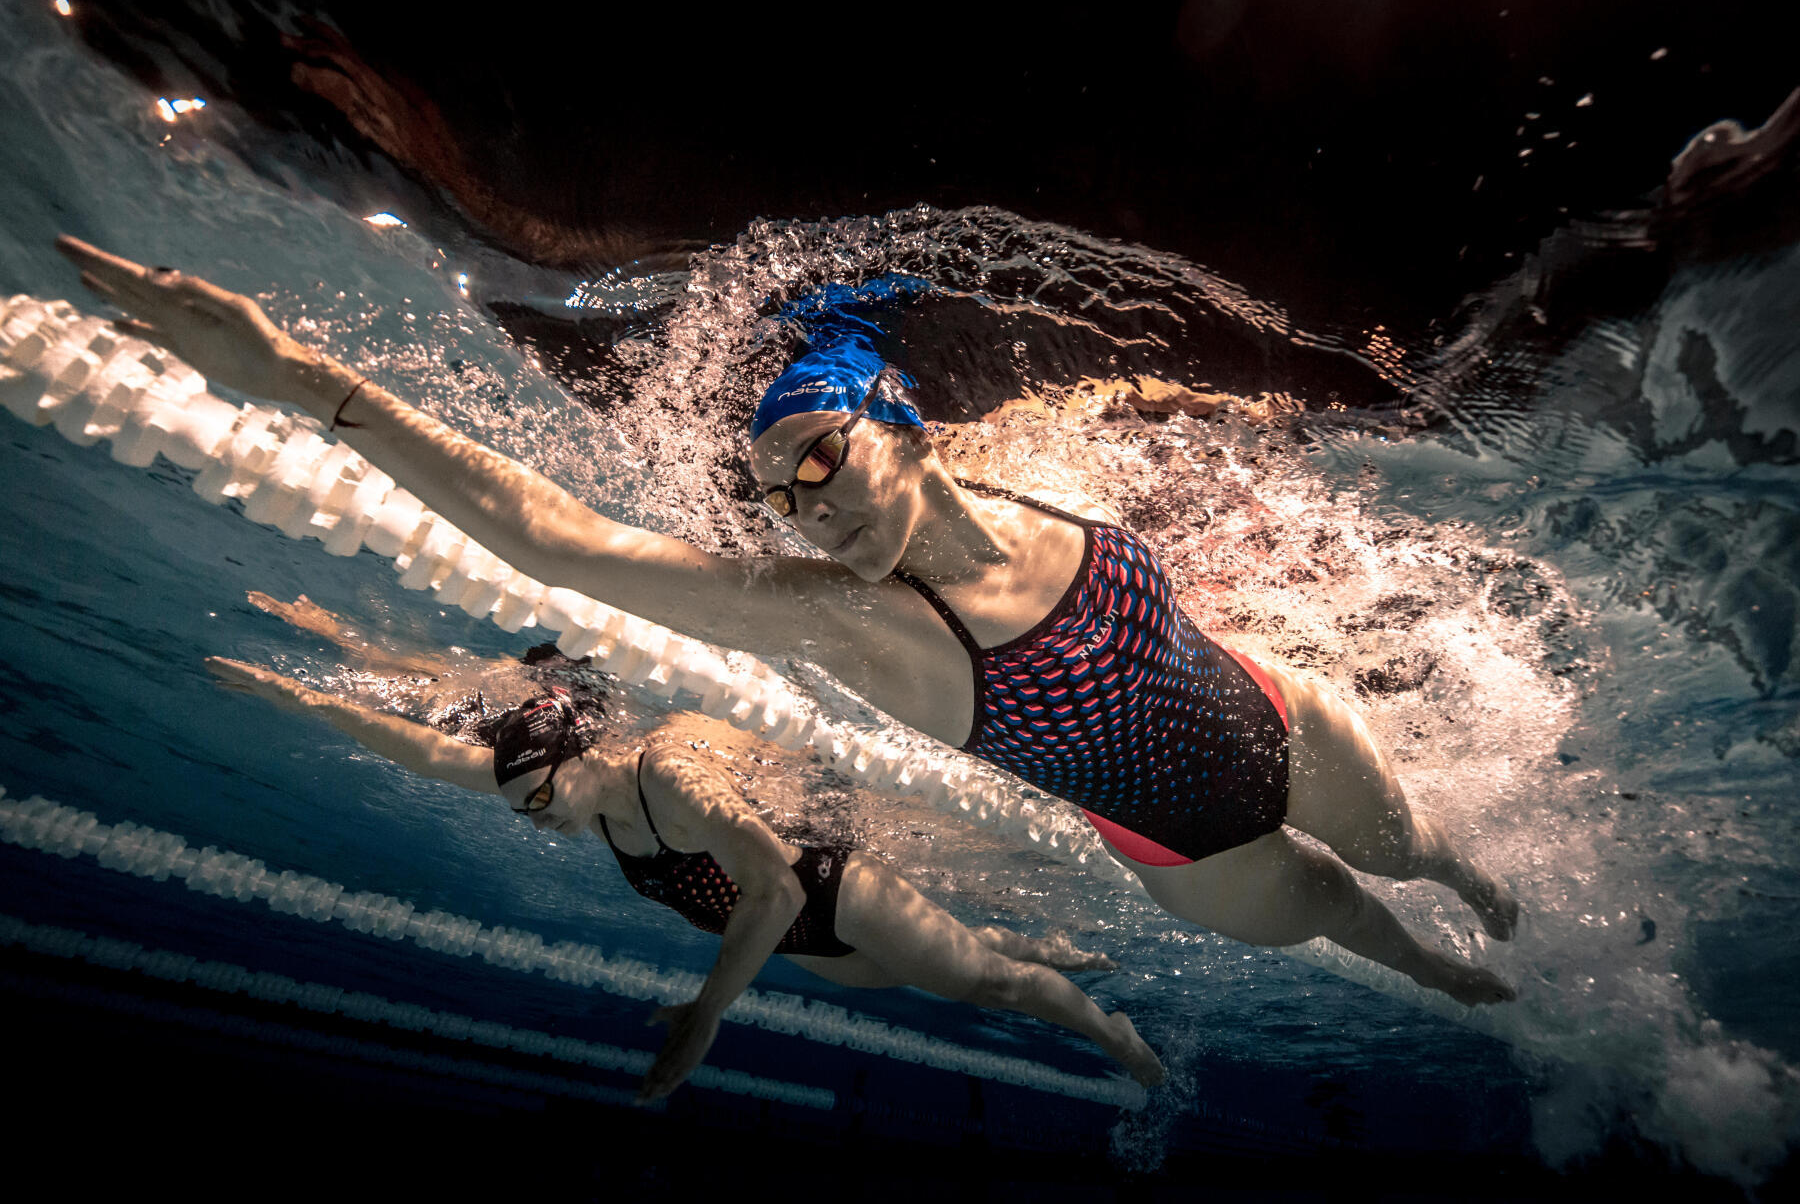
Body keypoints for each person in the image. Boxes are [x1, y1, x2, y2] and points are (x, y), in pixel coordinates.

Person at [60, 235, 1518, 1007]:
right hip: (1186, 851)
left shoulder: (1032, 467)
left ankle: (1498, 904)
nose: (802, 507)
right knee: (1389, 939)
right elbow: (551, 537)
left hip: (1284, 711)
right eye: (773, 495)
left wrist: (1243, 397)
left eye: (816, 459)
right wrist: (304, 375)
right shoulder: (848, 625)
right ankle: (1501, 998)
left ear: (904, 427)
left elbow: (1123, 403)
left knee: (1433, 852)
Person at [205, 598, 1165, 1098]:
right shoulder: (554, 788)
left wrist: (708, 1018)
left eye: (537, 797)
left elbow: (778, 891)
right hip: (802, 948)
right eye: (520, 804)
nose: (530, 817)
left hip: (825, 894)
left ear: (578, 759)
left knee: (987, 986)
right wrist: (302, 698)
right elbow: (420, 751)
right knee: (944, 966)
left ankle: (1120, 1042)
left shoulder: (668, 775)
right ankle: (1032, 944)